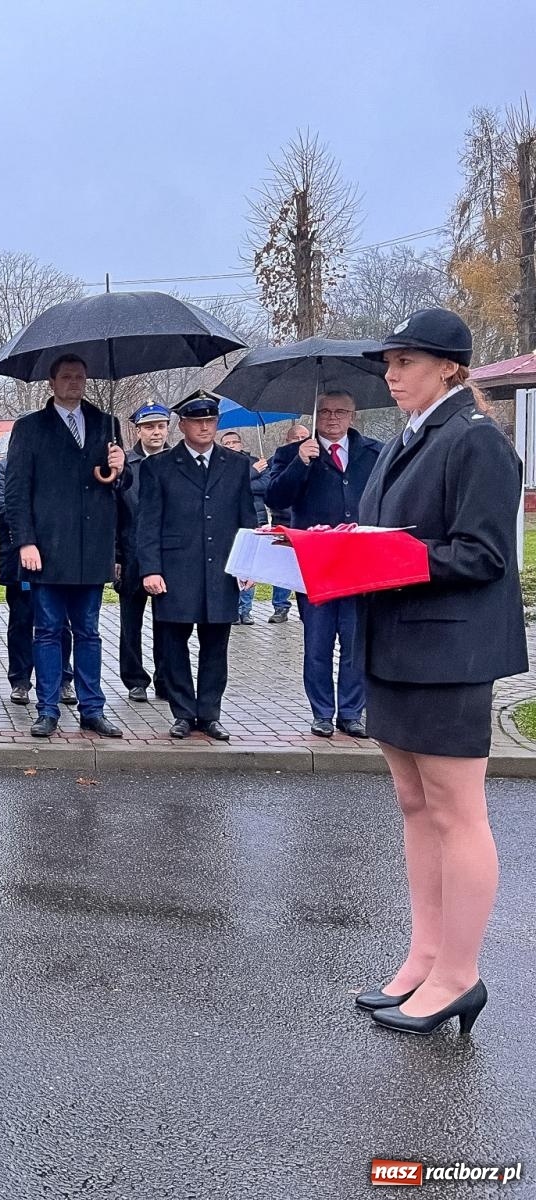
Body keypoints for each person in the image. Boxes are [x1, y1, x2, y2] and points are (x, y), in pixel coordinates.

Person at [354, 308, 525, 1037]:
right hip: (396, 643)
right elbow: (391, 532)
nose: (391, 376)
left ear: (450, 367)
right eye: (388, 363)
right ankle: (426, 954)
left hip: (449, 651)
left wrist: (385, 561)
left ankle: (461, 973)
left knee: (458, 813)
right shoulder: (411, 439)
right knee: (414, 804)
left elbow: (484, 555)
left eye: (406, 363)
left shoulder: (476, 439)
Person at [2, 354, 127, 739]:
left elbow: (121, 488)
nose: (75, 382)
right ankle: (48, 708)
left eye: (80, 376)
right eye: (67, 377)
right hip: (47, 550)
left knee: (88, 631)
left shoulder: (107, 423)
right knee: (48, 631)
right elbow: (16, 491)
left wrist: (122, 469)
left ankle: (93, 708)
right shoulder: (30, 428)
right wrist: (25, 541)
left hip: (91, 549)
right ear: (52, 383)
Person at [133, 394, 258, 741]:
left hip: (221, 568)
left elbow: (248, 519)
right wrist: (150, 569)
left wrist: (250, 564)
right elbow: (148, 523)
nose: (205, 426)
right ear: (183, 424)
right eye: (196, 420)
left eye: (211, 420)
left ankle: (210, 712)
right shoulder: (158, 467)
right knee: (174, 644)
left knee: (216, 643)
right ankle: (183, 713)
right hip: (176, 568)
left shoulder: (236, 464)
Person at [263, 390, 383, 737]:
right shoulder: (291, 453)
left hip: (360, 560)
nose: (333, 418)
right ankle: (321, 713)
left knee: (354, 640)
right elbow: (275, 498)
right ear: (315, 416)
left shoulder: (373, 452)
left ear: (353, 416)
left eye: (341, 412)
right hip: (315, 563)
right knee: (317, 642)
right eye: (325, 412)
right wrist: (300, 462)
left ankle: (351, 713)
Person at [0, 458, 71, 706]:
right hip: (18, 557)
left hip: (55, 559)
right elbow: (0, 505)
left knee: (60, 623)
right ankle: (20, 681)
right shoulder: (4, 468)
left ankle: (63, 680)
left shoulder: (57, 466)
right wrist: (34, 519)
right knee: (21, 622)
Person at [113, 402, 172, 702]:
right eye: (150, 427)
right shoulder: (127, 465)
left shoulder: (178, 462)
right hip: (132, 554)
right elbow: (115, 515)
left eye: (161, 426)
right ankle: (135, 679)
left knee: (168, 624)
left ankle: (166, 677)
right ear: (138, 430)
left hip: (169, 557)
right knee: (130, 624)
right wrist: (116, 557)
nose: (156, 432)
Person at [217, 429, 270, 625]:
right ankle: (232, 608)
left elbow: (266, 485)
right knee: (231, 565)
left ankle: (246, 610)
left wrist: (247, 479)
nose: (231, 446)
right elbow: (226, 487)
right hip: (228, 522)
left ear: (241, 444)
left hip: (256, 518)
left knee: (249, 566)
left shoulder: (256, 460)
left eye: (234, 442)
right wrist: (253, 473)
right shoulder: (221, 465)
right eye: (227, 443)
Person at [263, 422, 310, 623]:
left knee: (305, 568)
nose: (301, 442)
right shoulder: (279, 459)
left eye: (305, 438)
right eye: (297, 438)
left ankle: (307, 604)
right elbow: (269, 488)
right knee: (283, 567)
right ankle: (280, 607)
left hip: (306, 525)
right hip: (283, 520)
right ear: (288, 440)